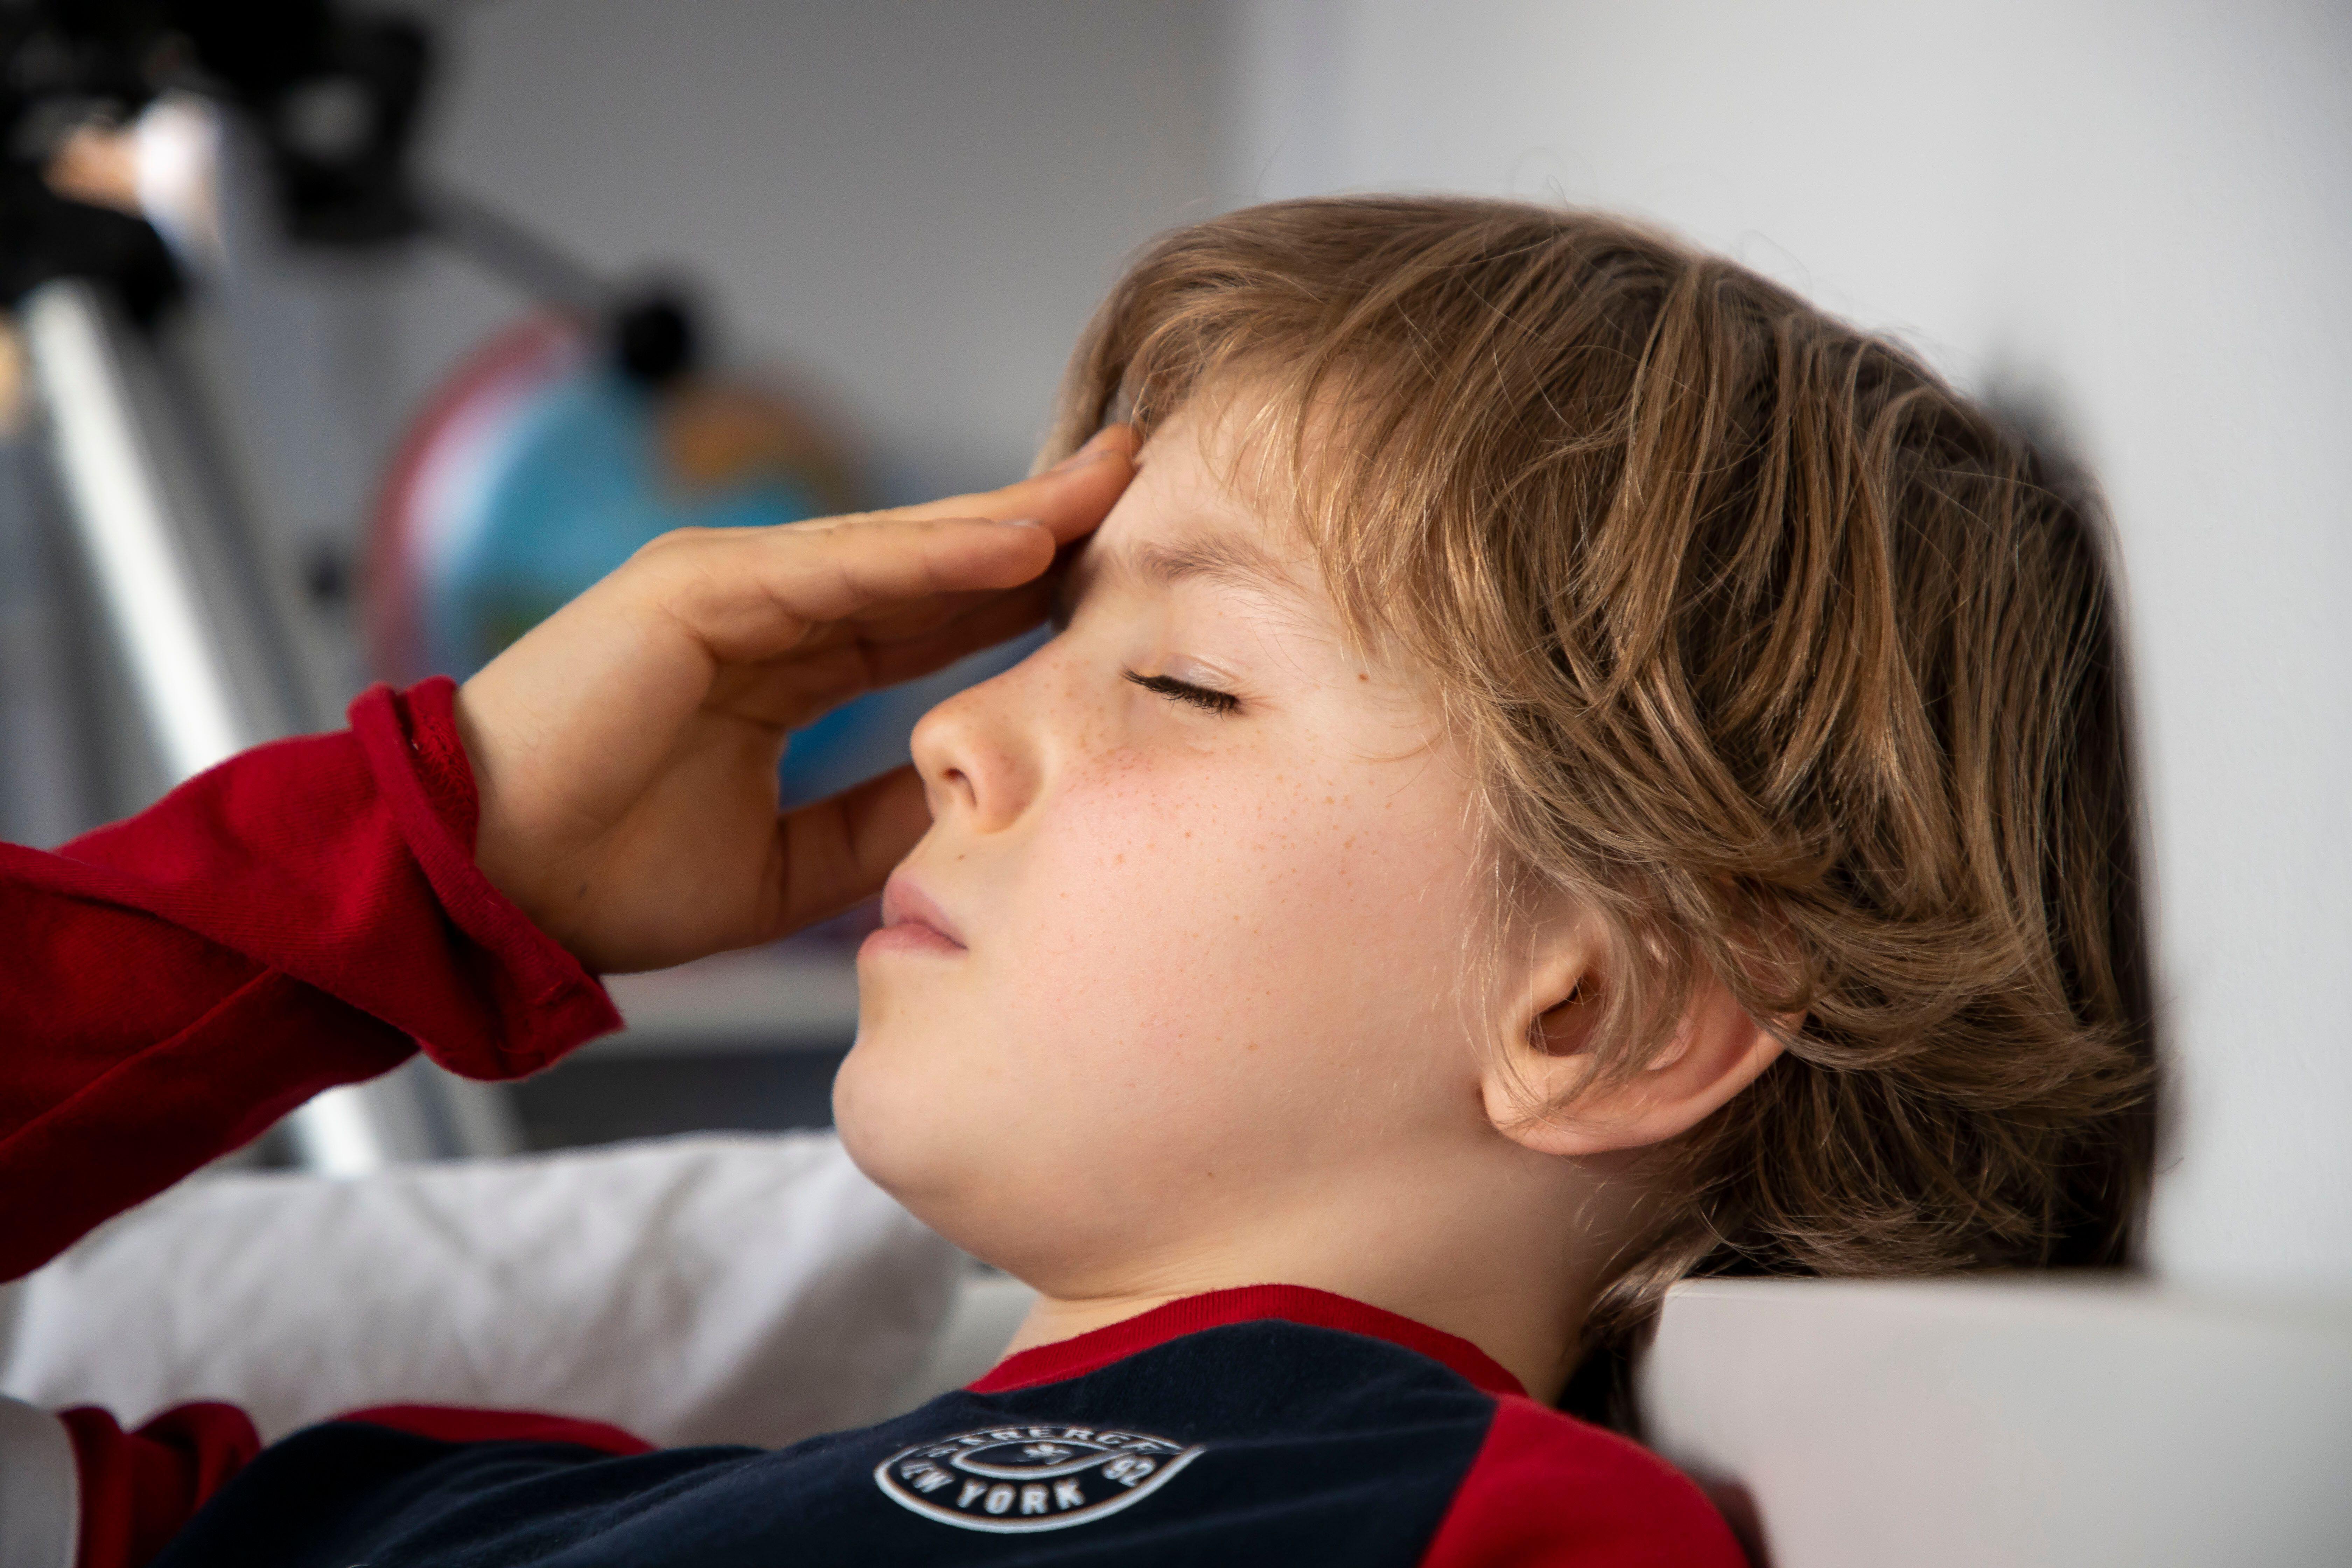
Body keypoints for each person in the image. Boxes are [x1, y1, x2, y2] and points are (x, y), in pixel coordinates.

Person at [0, 197, 2153, 1568]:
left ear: (1602, 1005)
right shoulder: (449, 1498)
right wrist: (449, 845)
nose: (952, 728)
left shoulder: (1471, 1528)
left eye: (1187, 679)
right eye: (1041, 636)